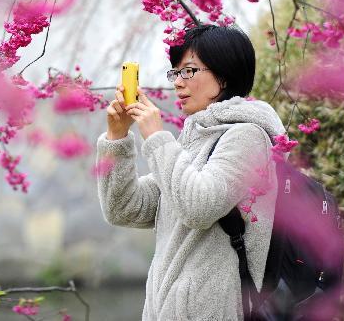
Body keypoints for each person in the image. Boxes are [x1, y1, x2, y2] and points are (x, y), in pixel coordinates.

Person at [96, 24, 287, 321]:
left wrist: (157, 138)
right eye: (175, 73)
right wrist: (117, 138)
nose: (178, 83)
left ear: (223, 76)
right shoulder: (193, 141)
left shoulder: (248, 137)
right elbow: (124, 209)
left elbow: (199, 207)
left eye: (189, 71)